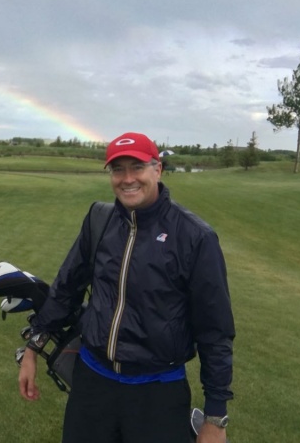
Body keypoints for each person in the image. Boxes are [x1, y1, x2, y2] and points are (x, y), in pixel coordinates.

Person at [18, 132, 234, 443]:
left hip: (158, 391)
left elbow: (215, 330)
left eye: (137, 167)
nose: (127, 178)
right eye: (118, 169)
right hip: (92, 382)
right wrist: (32, 348)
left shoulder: (195, 237)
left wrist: (215, 417)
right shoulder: (99, 220)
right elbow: (66, 288)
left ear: (157, 169)